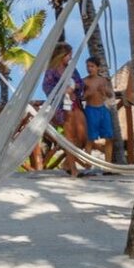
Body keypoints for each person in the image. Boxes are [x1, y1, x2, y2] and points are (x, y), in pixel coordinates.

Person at [35, 44, 87, 178]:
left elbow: (80, 83)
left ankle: (67, 163)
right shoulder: (51, 71)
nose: (70, 57)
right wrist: (62, 91)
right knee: (70, 138)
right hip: (62, 107)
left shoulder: (71, 69)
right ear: (61, 54)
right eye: (69, 54)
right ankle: (74, 170)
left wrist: (74, 87)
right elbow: (46, 87)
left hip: (75, 104)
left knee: (83, 136)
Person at [81, 59, 116, 171]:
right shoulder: (84, 81)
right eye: (88, 66)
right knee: (90, 139)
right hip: (91, 110)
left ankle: (108, 166)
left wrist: (105, 90)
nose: (89, 68)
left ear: (97, 68)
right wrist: (87, 94)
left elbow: (110, 94)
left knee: (109, 137)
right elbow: (80, 97)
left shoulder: (103, 80)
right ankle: (88, 166)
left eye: (92, 66)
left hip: (103, 109)